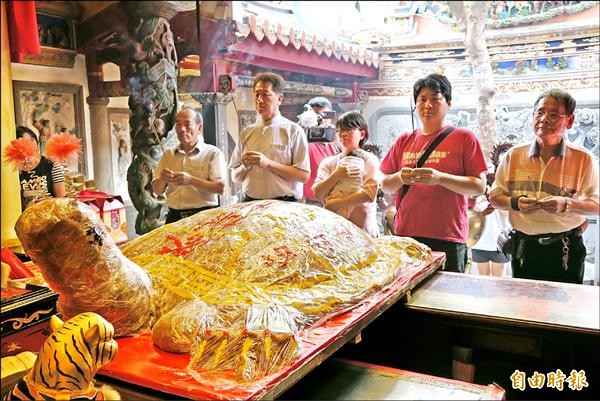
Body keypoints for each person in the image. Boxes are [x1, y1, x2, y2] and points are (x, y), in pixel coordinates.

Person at [489, 89, 599, 284]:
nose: (544, 119)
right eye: (540, 113)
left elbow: (596, 205)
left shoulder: (584, 159)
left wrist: (567, 204)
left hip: (566, 247)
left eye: (554, 114)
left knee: (565, 309)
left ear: (570, 121)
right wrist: (516, 203)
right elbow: (495, 197)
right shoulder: (514, 156)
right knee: (525, 306)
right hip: (523, 246)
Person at [380, 74, 487, 272]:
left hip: (447, 235)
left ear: (449, 103)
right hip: (405, 234)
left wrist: (439, 178)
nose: (427, 105)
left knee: (447, 298)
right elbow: (385, 184)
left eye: (435, 99)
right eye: (422, 99)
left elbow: (479, 186)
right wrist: (400, 177)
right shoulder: (404, 139)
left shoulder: (464, 137)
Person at [230, 72, 310, 202]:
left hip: (283, 204)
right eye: (257, 95)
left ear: (279, 99)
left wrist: (268, 164)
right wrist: (244, 166)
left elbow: (303, 176)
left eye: (265, 95)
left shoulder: (293, 130)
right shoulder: (247, 132)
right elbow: (235, 178)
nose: (259, 100)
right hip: (250, 203)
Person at [152, 108, 226, 224]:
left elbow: (220, 188)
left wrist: (190, 180)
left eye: (187, 124)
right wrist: (162, 178)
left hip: (203, 217)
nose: (182, 129)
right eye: (178, 124)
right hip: (174, 217)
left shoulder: (212, 153)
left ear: (199, 128)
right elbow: (157, 190)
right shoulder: (169, 155)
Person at [313, 111, 380, 237]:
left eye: (349, 130)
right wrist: (336, 175)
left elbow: (368, 194)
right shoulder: (328, 162)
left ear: (362, 134)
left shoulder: (370, 160)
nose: (343, 134)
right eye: (339, 130)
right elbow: (318, 192)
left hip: (364, 230)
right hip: (336, 231)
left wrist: (334, 204)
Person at [301, 96, 342, 205]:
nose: (321, 119)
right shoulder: (303, 140)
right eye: (316, 116)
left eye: (325, 115)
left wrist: (338, 143)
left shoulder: (337, 142)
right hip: (311, 202)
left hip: (335, 201)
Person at [16, 126, 66, 210]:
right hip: (24, 218)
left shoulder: (51, 165)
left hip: (49, 214)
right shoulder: (13, 168)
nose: (30, 143)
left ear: (37, 143)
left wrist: (48, 202)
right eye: (24, 141)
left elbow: (62, 199)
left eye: (32, 139)